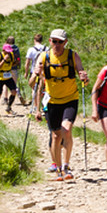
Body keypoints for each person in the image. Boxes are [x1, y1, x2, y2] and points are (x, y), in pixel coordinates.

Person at [31, 28, 88, 181]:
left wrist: (84, 78)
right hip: (52, 101)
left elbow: (84, 79)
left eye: (60, 42)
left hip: (70, 98)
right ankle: (58, 168)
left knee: (66, 130)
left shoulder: (73, 56)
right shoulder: (43, 57)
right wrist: (36, 73)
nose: (56, 44)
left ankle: (66, 166)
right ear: (49, 41)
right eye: (54, 41)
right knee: (56, 136)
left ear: (65, 42)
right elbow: (33, 84)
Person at [0, 37, 20, 115]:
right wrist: (4, 60)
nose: (8, 53)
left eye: (9, 52)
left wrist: (16, 63)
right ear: (3, 50)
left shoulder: (11, 54)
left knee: (14, 91)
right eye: (7, 52)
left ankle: (9, 107)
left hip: (8, 76)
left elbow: (12, 64)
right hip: (0, 77)